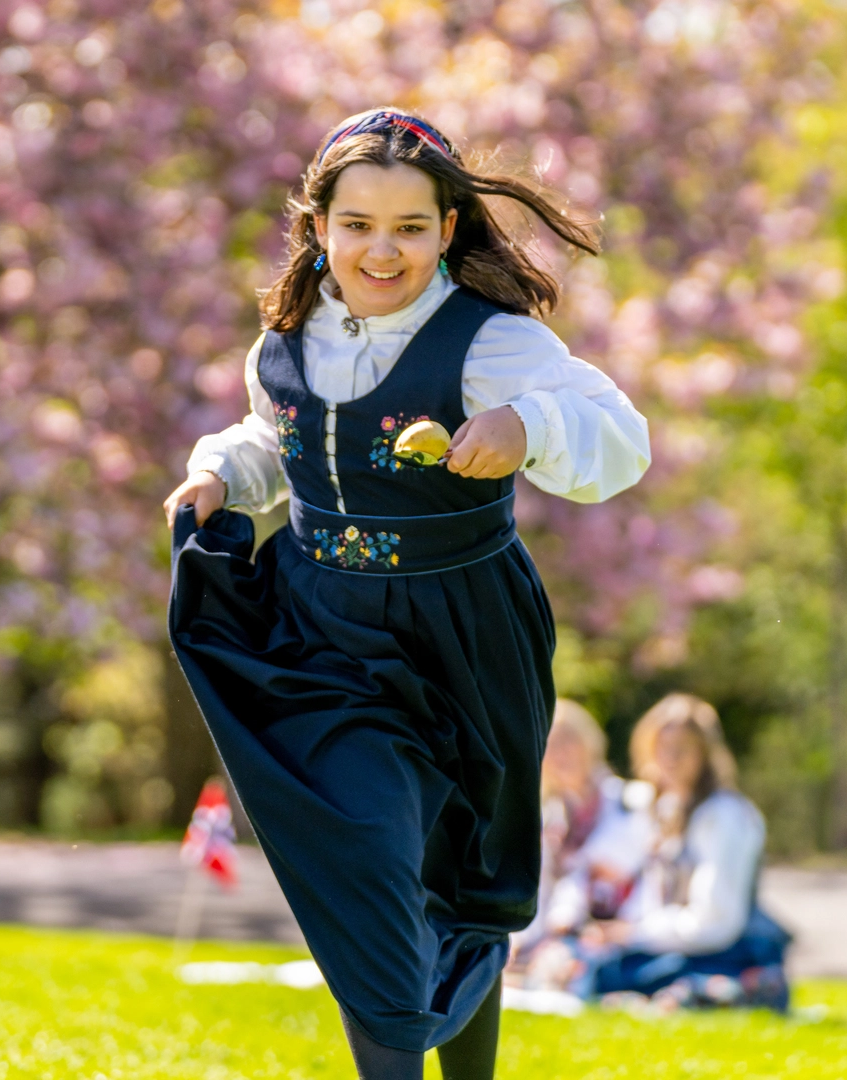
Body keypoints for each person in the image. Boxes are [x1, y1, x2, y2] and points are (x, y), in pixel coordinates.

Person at [165, 108, 651, 1080]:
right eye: (356, 225)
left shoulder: (487, 342)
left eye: (409, 228)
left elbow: (621, 440)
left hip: (464, 629)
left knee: (463, 876)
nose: (380, 251)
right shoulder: (284, 345)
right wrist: (221, 470)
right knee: (371, 849)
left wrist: (526, 424)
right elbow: (284, 444)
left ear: (449, 232)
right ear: (317, 227)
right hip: (322, 631)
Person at [583, 693, 791, 1012]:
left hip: (726, 950)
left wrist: (635, 934)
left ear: (705, 754)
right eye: (661, 748)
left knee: (602, 976)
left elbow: (715, 921)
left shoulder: (723, 815)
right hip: (682, 945)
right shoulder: (664, 809)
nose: (670, 759)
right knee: (591, 963)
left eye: (682, 749)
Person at [510, 700, 653, 972]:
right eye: (550, 745)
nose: (560, 753)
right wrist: (519, 940)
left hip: (622, 932)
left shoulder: (633, 801)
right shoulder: (546, 819)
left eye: (568, 740)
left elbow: (620, 869)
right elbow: (538, 891)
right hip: (562, 936)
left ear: (589, 743)